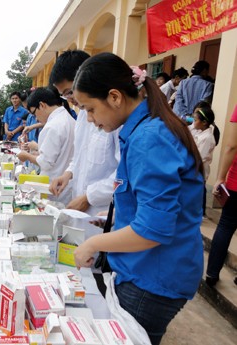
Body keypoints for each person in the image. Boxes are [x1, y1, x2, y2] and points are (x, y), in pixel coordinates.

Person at [72, 52, 204, 345]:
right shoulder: (144, 130)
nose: (91, 120)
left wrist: (93, 243)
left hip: (152, 276)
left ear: (115, 97)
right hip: (150, 268)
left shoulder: (149, 138)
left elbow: (153, 229)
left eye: (90, 109)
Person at [49, 50, 120, 215]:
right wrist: (68, 173)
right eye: (63, 95)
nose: (70, 99)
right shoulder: (82, 115)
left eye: (69, 91)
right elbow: (81, 154)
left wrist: (89, 197)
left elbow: (124, 174)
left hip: (103, 209)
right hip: (81, 204)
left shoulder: (116, 119)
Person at [17, 87, 75, 205]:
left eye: (34, 113)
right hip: (66, 185)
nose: (36, 118)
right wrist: (36, 153)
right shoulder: (69, 119)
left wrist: (26, 156)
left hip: (54, 186)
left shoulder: (52, 126)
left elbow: (45, 162)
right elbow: (59, 153)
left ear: (42, 105)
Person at [206, 104, 237, 287]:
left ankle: (212, 274)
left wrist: (220, 177)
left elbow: (232, 146)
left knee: (225, 225)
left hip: (235, 182)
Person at [189, 103, 220, 217]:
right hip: (193, 169)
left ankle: (197, 215)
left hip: (198, 170)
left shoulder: (207, 138)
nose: (193, 121)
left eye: (195, 119)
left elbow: (199, 158)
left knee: (196, 195)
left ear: (204, 123)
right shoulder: (200, 132)